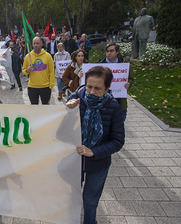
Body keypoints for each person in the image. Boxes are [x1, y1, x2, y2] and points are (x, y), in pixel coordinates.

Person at [66, 66, 125, 224]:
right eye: (89, 86)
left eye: (97, 88)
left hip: (98, 163)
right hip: (75, 161)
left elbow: (118, 141)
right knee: (73, 196)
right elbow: (61, 129)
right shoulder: (77, 98)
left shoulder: (113, 107)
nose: (91, 92)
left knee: (90, 201)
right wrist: (68, 108)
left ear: (107, 88)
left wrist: (94, 152)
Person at [98, 43, 134, 121]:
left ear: (117, 52)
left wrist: (129, 84)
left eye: (111, 51)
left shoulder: (123, 65)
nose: (109, 53)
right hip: (103, 102)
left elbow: (131, 78)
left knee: (119, 126)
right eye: (107, 51)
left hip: (119, 102)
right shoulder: (100, 65)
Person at [22, 37, 55, 105]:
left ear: (41, 44)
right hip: (32, 87)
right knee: (34, 108)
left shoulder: (48, 56)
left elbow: (51, 71)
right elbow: (24, 71)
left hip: (45, 87)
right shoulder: (28, 57)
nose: (35, 45)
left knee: (45, 107)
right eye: (34, 43)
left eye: (37, 43)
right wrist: (27, 70)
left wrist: (51, 85)